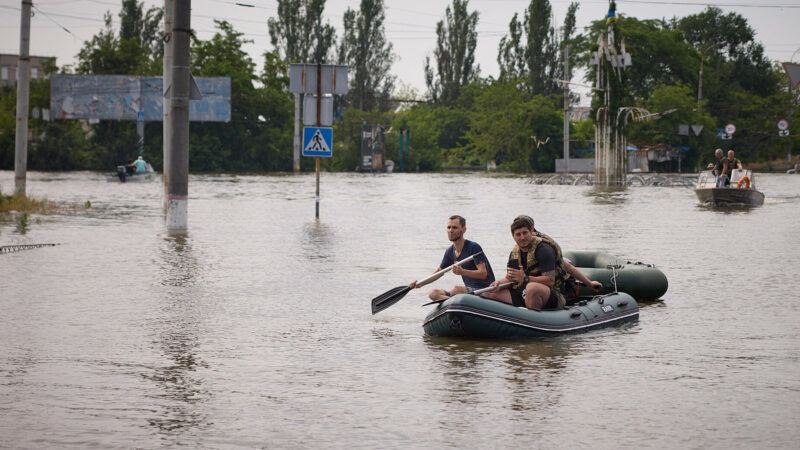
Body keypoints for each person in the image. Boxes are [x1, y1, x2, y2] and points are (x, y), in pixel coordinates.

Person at [482, 215, 602, 310]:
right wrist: (498, 283)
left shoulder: (543, 249)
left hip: (552, 293)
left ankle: (532, 322)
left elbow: (550, 280)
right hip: (524, 292)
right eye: (518, 234)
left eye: (525, 233)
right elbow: (511, 278)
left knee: (532, 288)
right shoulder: (514, 253)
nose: (522, 237)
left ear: (531, 231)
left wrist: (589, 283)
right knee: (488, 293)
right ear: (513, 236)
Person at [409, 215, 495, 301]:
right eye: (448, 227)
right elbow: (439, 272)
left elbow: (483, 274)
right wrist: (420, 284)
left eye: (454, 228)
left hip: (484, 290)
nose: (451, 230)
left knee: (455, 290)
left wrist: (462, 271)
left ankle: (455, 302)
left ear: (463, 230)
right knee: (433, 293)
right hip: (468, 290)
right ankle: (455, 304)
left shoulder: (473, 247)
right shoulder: (450, 251)